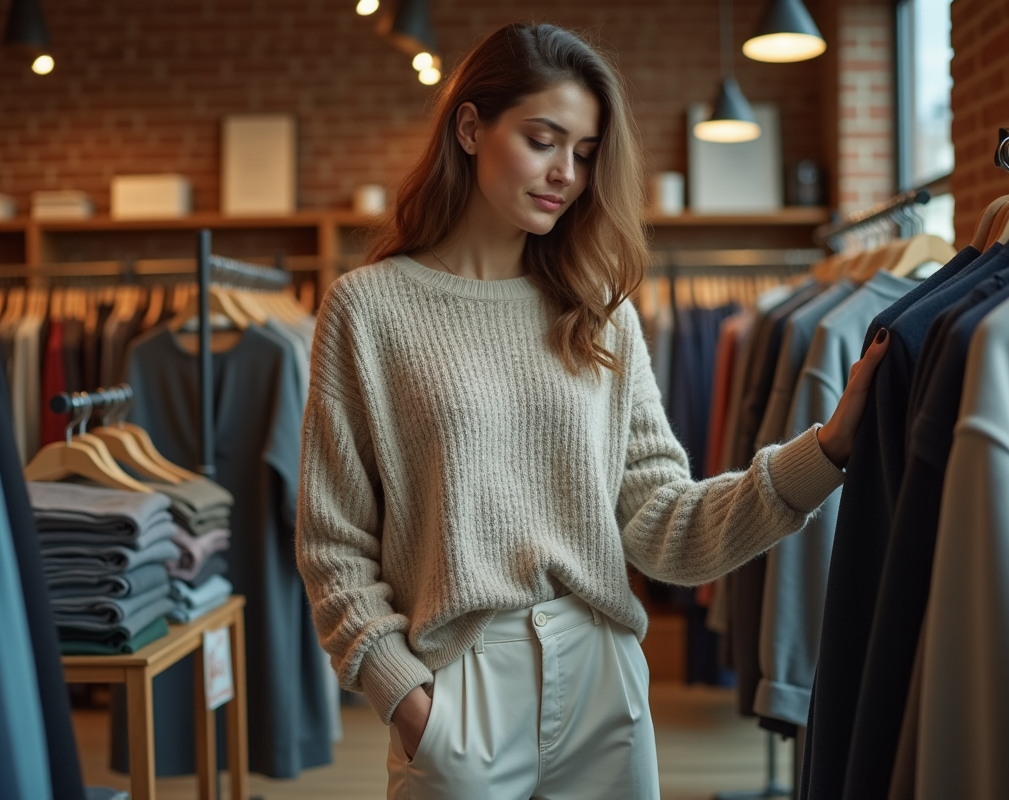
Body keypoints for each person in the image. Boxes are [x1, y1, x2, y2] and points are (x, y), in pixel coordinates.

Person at [296, 21, 888, 800]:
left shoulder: (599, 313)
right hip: (459, 688)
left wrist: (828, 454)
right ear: (471, 128)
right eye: (544, 140)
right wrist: (407, 700)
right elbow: (333, 541)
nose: (566, 174)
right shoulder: (368, 309)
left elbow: (664, 527)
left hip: (602, 682)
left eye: (583, 152)